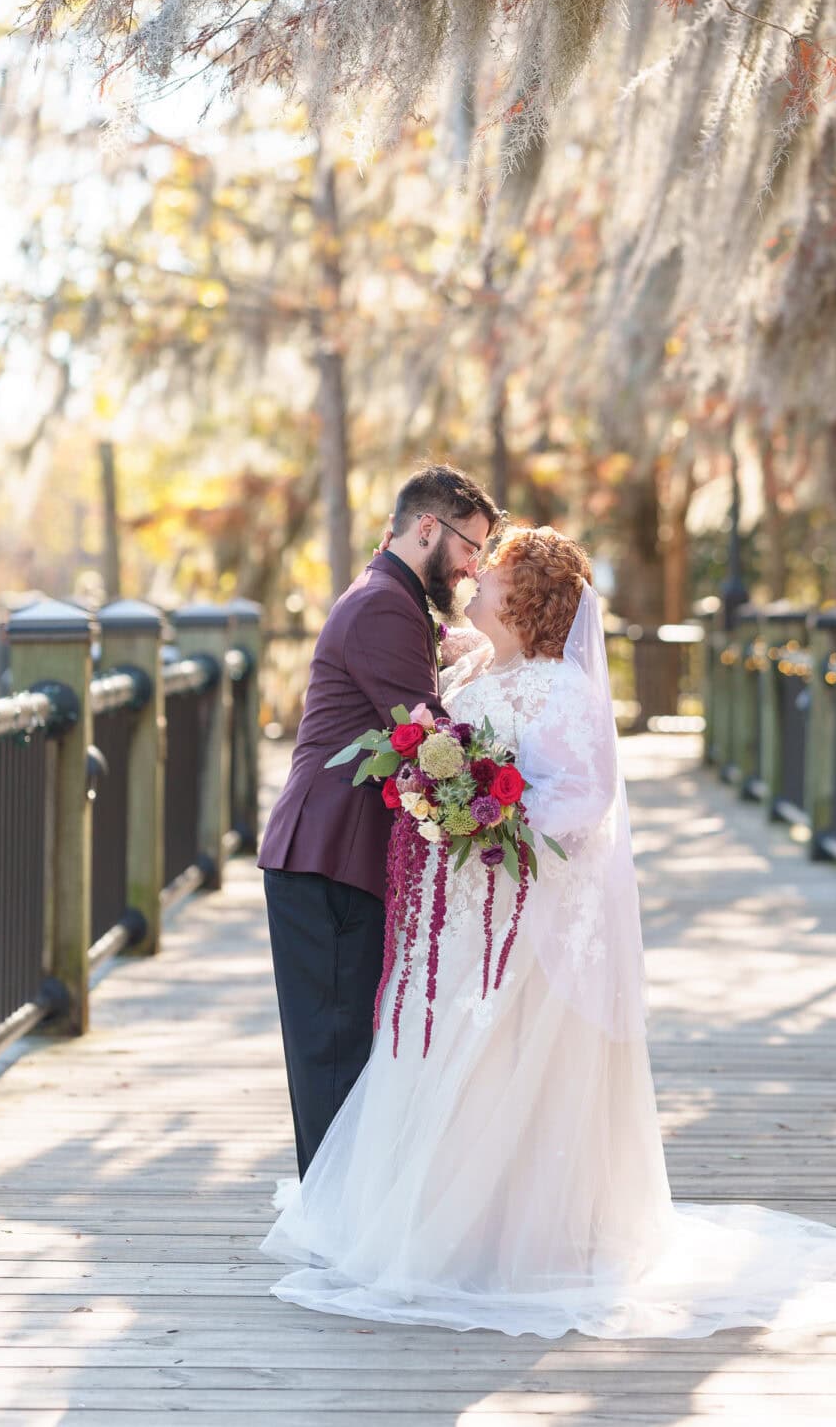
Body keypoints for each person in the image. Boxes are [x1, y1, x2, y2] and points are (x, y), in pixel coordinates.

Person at [262, 525, 836, 1339]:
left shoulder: (563, 691)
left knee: (504, 1068)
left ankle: (511, 1241)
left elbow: (583, 801)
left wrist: (492, 826)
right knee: (448, 1066)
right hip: (465, 921)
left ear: (527, 600)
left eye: (494, 577)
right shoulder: (483, 669)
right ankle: (435, 1225)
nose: (478, 583)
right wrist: (453, 806)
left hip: (524, 921)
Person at [258, 464, 500, 1178]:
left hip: (337, 858)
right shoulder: (384, 607)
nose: (472, 567)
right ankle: (331, 1238)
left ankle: (337, 1224)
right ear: (427, 528)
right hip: (327, 858)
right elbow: (432, 738)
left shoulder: (393, 601)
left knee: (341, 1054)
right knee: (333, 1058)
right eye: (469, 547)